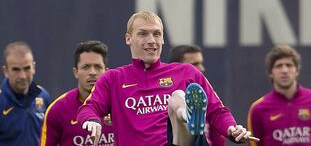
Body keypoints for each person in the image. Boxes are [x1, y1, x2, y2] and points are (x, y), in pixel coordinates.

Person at [77, 10, 257, 146]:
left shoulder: (186, 72)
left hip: (184, 140)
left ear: (163, 39)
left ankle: (187, 116)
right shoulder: (113, 78)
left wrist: (232, 129)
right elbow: (88, 108)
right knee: (177, 98)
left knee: (178, 97)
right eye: (143, 34)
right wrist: (92, 120)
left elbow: (217, 111)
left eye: (157, 34)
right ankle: (186, 115)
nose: (151, 40)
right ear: (128, 39)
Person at [247, 44, 311, 146]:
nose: (284, 71)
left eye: (289, 65)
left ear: (297, 70)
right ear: (270, 72)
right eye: (279, 66)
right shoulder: (258, 109)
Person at [40, 40, 114, 146]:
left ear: (106, 72)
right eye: (86, 67)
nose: (92, 72)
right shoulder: (57, 110)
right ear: (75, 72)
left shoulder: (120, 104)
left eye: (98, 67)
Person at [169, 44, 225, 146]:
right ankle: (186, 115)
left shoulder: (202, 97)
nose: (201, 68)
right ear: (177, 67)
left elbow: (217, 137)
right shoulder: (167, 99)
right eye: (194, 64)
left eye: (201, 63)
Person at [0, 41, 51, 146]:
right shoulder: (1, 101)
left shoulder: (43, 96)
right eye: (16, 70)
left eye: (27, 68)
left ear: (34, 68)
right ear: (5, 71)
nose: (22, 76)